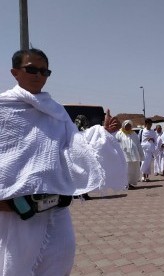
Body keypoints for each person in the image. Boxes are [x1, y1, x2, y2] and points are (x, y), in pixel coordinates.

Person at [0, 48, 127, 275]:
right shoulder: (4, 108)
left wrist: (102, 132)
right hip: (16, 209)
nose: (38, 75)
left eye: (44, 71)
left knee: (61, 259)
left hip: (55, 205)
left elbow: (74, 146)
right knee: (17, 267)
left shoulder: (55, 110)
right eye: (31, 69)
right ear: (15, 72)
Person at [115, 120, 144, 189]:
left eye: (130, 126)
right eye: (127, 125)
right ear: (123, 126)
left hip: (134, 155)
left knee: (133, 170)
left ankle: (130, 183)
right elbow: (116, 144)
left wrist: (141, 154)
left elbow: (138, 144)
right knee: (126, 170)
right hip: (124, 155)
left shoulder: (133, 134)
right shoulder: (119, 134)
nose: (128, 127)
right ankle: (125, 184)